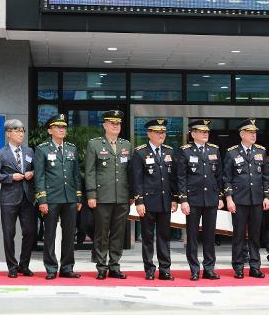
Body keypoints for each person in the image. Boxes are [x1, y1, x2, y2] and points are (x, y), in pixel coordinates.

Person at [84, 110, 133, 280]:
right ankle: (101, 266)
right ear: (104, 125)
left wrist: (132, 194)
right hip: (102, 196)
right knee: (102, 233)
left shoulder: (126, 145)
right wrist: (91, 195)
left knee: (119, 234)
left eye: (118, 123)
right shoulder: (94, 144)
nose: (115, 126)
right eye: (112, 123)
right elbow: (89, 171)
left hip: (122, 196)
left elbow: (130, 172)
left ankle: (114, 266)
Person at [34, 114, 83, 280]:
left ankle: (67, 268)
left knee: (70, 235)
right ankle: (51, 268)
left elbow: (76, 175)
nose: (62, 130)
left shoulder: (71, 148)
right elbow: (39, 176)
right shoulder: (42, 149)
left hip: (69, 198)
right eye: (58, 127)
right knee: (50, 235)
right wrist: (42, 199)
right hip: (51, 198)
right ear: (50, 130)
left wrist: (78, 197)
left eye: (64, 127)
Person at [223, 118, 269, 279]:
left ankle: (255, 266)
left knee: (256, 234)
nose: (253, 135)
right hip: (239, 200)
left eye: (255, 132)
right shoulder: (232, 152)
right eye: (250, 132)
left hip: (257, 200)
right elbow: (226, 178)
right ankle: (238, 266)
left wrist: (266, 196)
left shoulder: (261, 151)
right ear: (242, 134)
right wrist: (229, 199)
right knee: (239, 235)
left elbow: (265, 177)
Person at [177, 119, 224, 281]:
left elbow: (219, 176)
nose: (205, 134)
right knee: (192, 236)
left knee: (210, 236)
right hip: (193, 199)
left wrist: (220, 196)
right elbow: (181, 177)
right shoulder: (185, 151)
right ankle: (194, 269)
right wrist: (183, 200)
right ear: (193, 134)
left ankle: (209, 268)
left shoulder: (214, 150)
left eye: (207, 132)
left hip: (211, 199)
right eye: (202, 131)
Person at [0, 119, 37, 278]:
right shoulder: (0, 153)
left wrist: (32, 173)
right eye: (17, 131)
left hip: (27, 198)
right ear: (8, 133)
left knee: (30, 232)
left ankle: (24, 265)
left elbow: (36, 170)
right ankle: (12, 267)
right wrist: (11, 177)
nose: (21, 133)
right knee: (9, 233)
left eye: (22, 130)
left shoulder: (30, 151)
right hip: (9, 199)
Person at [132, 119, 178, 280]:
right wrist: (139, 201)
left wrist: (174, 198)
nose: (161, 135)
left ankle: (165, 269)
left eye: (163, 132)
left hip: (165, 201)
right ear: (149, 134)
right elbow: (136, 180)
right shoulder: (140, 152)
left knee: (164, 237)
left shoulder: (169, 151)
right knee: (147, 237)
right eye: (158, 132)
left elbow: (172, 178)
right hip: (148, 202)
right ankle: (149, 269)